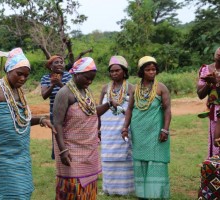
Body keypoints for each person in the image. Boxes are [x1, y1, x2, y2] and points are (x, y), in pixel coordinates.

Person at [0, 47, 54, 199]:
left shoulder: (18, 93)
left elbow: (21, 119)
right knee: (12, 194)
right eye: (19, 74)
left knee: (24, 192)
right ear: (8, 70)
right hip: (1, 154)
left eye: (26, 75)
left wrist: (40, 119)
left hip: (21, 154)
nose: (23, 79)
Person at [53, 57, 118, 200]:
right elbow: (56, 123)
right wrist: (63, 150)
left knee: (88, 189)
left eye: (92, 79)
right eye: (87, 78)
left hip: (88, 150)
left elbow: (92, 111)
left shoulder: (86, 91)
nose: (89, 82)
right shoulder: (64, 93)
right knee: (72, 188)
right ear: (76, 74)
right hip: (70, 151)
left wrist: (108, 105)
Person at [121, 56, 171, 199]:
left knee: (156, 161)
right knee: (141, 162)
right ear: (141, 71)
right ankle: (143, 195)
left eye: (153, 69)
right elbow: (129, 109)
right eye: (148, 69)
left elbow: (167, 109)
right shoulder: (135, 89)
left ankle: (156, 195)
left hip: (156, 132)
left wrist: (165, 129)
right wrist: (125, 127)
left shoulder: (161, 88)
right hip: (139, 132)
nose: (151, 72)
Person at [99, 56, 134, 195]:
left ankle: (126, 190)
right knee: (108, 158)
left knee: (125, 158)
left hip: (124, 128)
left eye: (117, 70)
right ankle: (109, 189)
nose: (114, 73)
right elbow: (100, 108)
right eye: (111, 71)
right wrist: (98, 128)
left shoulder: (131, 88)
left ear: (124, 71)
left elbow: (133, 110)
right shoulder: (104, 88)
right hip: (107, 130)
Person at [41, 55, 72, 159]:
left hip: (69, 111)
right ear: (50, 65)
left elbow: (72, 94)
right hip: (54, 112)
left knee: (70, 134)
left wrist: (59, 83)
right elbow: (44, 95)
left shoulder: (68, 76)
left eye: (61, 62)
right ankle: (59, 158)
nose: (60, 64)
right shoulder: (45, 78)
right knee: (57, 134)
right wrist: (53, 85)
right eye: (56, 62)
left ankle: (72, 154)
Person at [197, 47, 220, 157]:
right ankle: (215, 171)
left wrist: (216, 82)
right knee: (216, 143)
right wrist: (209, 84)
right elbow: (200, 95)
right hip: (214, 112)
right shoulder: (206, 69)